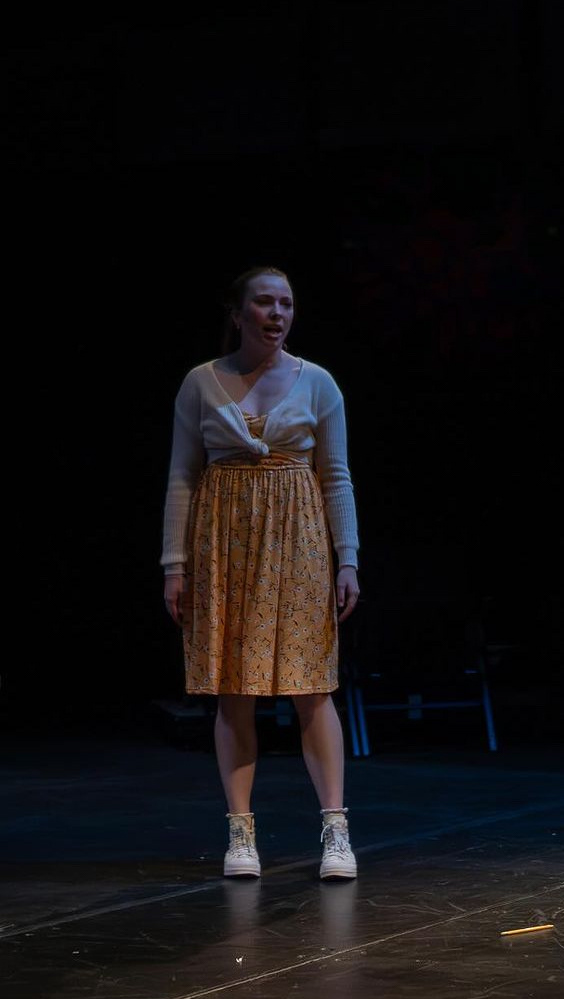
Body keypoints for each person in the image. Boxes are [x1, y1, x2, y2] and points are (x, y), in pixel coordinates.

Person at [161, 266, 361, 881]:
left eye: (287, 304)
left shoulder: (318, 382)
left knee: (311, 686)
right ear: (238, 312)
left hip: (298, 539)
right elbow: (181, 477)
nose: (277, 314)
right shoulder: (201, 382)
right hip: (223, 542)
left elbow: (336, 476)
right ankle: (240, 831)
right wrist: (174, 564)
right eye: (265, 303)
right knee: (234, 687)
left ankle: (336, 830)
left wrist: (348, 558)